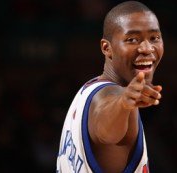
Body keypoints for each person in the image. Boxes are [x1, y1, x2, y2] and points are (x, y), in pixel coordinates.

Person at [56, 1, 164, 173]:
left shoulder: (86, 91)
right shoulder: (110, 97)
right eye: (132, 40)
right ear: (107, 48)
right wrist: (123, 103)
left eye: (154, 38)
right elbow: (105, 130)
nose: (147, 48)